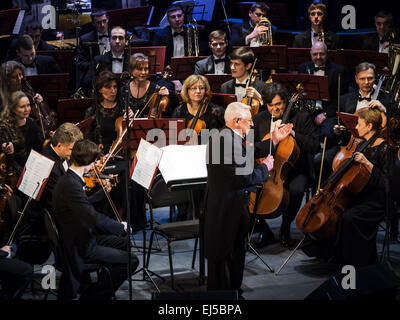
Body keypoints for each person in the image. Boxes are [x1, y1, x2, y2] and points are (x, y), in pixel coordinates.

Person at [204, 101, 285, 296]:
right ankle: (227, 298)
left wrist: (273, 140)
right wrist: (265, 167)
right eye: (249, 121)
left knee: (232, 256)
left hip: (226, 207)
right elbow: (246, 176)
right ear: (236, 120)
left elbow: (249, 151)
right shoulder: (226, 142)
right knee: (228, 257)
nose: (252, 125)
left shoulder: (225, 136)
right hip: (228, 210)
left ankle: (230, 293)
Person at [302, 108, 392, 268]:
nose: (356, 127)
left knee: (350, 218)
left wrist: (367, 163)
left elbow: (387, 183)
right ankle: (332, 254)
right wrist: (327, 187)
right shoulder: (361, 144)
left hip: (375, 200)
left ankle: (357, 263)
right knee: (335, 213)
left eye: (359, 123)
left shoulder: (385, 148)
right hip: (357, 194)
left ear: (370, 126)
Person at [52, 139, 139, 300]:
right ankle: (94, 296)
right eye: (94, 161)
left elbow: (85, 208)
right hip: (81, 245)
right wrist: (121, 227)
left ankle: (101, 285)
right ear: (89, 162)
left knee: (124, 243)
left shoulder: (69, 179)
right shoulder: (71, 185)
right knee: (131, 261)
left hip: (81, 235)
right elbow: (93, 219)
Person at [252, 82, 319, 248]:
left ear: (286, 101)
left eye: (278, 104)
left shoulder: (302, 117)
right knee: (248, 188)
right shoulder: (259, 119)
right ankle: (264, 231)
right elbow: (251, 146)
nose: (274, 109)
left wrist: (294, 134)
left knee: (295, 190)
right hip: (266, 169)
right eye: (270, 105)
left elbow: (314, 145)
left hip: (296, 168)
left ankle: (285, 226)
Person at [0, 90, 43, 176]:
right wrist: (24, 173)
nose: (27, 109)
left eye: (28, 105)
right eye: (22, 107)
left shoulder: (31, 123)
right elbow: (8, 159)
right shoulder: (4, 127)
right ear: (13, 108)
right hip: (14, 173)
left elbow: (40, 148)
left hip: (31, 168)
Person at [124, 53, 176, 117]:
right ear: (131, 70)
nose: (143, 72)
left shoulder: (156, 89)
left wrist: (169, 96)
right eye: (140, 69)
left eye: (146, 69)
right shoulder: (124, 90)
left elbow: (170, 114)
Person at [82, 26, 130, 93]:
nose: (117, 41)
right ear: (109, 41)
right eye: (114, 38)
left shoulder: (132, 60)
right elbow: (87, 82)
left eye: (121, 38)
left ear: (126, 41)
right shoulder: (98, 60)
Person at [76, 9, 110, 83]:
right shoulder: (85, 39)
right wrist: (96, 67)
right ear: (93, 23)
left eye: (104, 21)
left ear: (108, 19)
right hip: (96, 76)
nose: (102, 25)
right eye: (98, 22)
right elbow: (80, 63)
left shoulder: (116, 35)